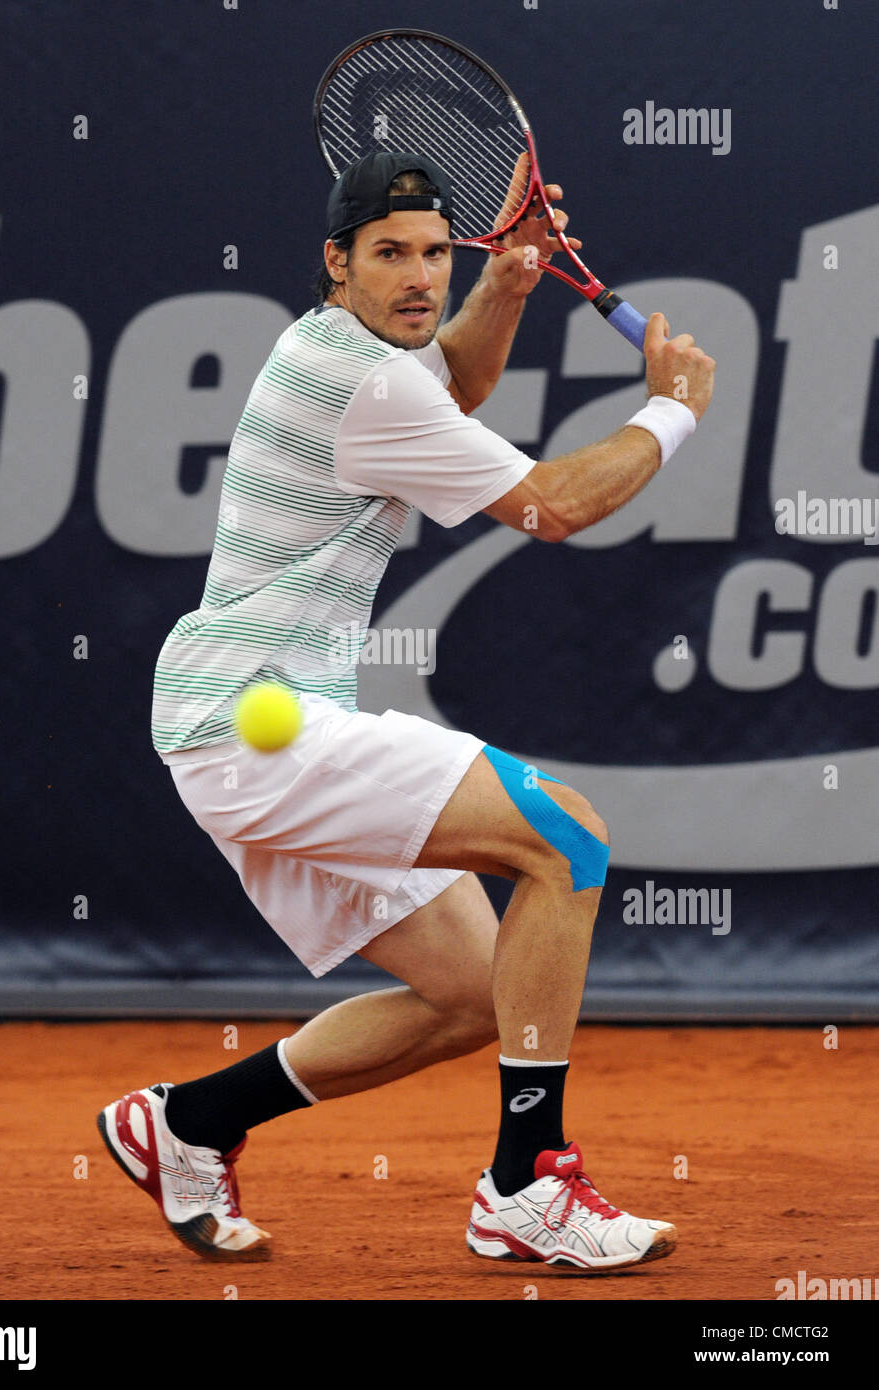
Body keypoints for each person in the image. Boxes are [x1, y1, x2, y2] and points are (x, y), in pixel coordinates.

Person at [98, 150, 715, 1271]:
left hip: (245, 727)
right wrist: (670, 412)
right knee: (565, 835)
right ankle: (525, 1183)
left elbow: (459, 387)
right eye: (389, 255)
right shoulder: (365, 383)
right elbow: (551, 507)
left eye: (437, 252)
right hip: (254, 720)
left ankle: (189, 1120)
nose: (420, 276)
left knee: (486, 994)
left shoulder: (351, 355)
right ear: (336, 264)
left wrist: (513, 277)